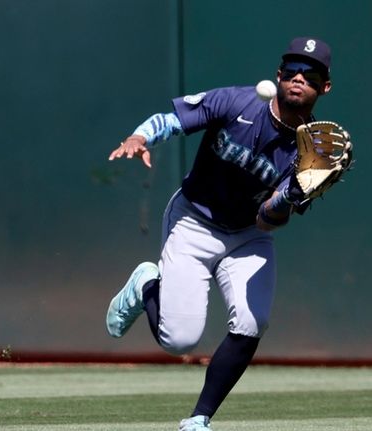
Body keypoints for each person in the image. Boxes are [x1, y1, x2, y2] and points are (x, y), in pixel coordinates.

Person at [106, 37, 334, 431]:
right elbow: (173, 120)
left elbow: (268, 221)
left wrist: (290, 197)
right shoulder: (237, 102)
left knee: (251, 323)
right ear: (278, 76)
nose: (299, 79)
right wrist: (139, 137)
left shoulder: (311, 152)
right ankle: (147, 286)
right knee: (179, 341)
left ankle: (199, 418)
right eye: (292, 71)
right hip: (194, 220)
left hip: (248, 234)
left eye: (310, 75)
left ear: (323, 88)